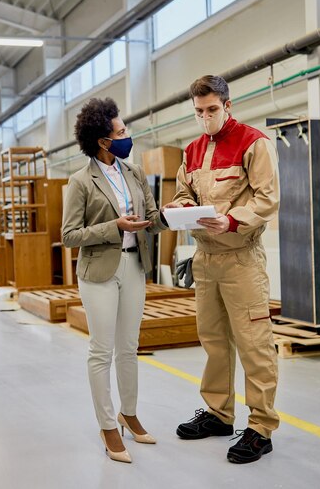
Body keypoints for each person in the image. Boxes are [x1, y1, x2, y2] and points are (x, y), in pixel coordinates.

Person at [164, 75, 280, 464]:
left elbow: (267, 198)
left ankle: (261, 427)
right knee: (213, 340)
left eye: (212, 110)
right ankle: (218, 414)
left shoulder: (253, 142)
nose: (205, 118)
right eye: (199, 112)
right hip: (205, 259)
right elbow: (184, 192)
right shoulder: (192, 150)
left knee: (254, 342)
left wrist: (232, 221)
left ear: (228, 105)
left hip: (241, 258)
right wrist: (180, 208)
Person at [62, 97, 168, 464]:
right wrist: (115, 227)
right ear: (103, 141)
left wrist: (177, 216)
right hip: (99, 273)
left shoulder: (134, 172)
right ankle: (108, 425)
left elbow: (152, 216)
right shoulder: (80, 182)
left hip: (134, 266)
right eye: (122, 132)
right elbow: (70, 235)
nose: (128, 136)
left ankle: (130, 413)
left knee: (129, 346)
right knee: (101, 350)